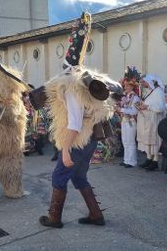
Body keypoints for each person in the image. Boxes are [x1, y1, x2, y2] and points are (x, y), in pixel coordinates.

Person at [38, 13, 119, 228]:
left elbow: (74, 122)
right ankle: (96, 215)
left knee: (59, 177)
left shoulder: (71, 88)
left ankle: (54, 218)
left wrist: (65, 150)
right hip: (89, 139)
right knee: (79, 177)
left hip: (78, 140)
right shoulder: (85, 84)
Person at [137, 74, 166, 171]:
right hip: (147, 121)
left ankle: (155, 161)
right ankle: (149, 159)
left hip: (155, 121)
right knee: (148, 140)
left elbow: (161, 108)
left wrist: (147, 107)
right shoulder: (150, 91)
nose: (143, 83)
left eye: (144, 82)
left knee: (154, 141)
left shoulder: (159, 92)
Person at [118, 66, 141, 168]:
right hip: (124, 121)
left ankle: (132, 161)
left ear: (132, 87)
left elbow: (134, 111)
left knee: (130, 142)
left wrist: (121, 110)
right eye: (125, 85)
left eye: (128, 86)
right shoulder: (125, 97)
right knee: (125, 141)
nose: (126, 87)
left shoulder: (135, 97)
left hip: (131, 121)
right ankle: (126, 160)